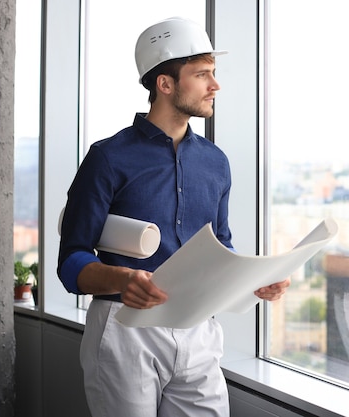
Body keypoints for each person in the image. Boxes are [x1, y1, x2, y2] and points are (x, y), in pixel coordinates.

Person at [57, 16, 290, 417]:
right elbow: (71, 260)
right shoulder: (108, 158)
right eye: (202, 75)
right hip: (125, 328)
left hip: (198, 329)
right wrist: (122, 278)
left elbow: (221, 249)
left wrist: (253, 283)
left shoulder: (216, 163)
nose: (215, 86)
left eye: (213, 74)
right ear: (165, 84)